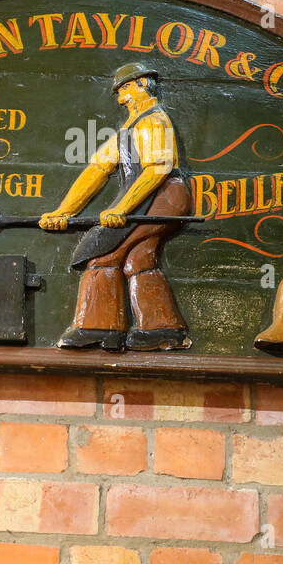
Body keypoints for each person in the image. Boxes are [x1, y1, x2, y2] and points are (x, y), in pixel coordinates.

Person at [39, 63, 191, 351]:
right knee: (139, 259)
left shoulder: (154, 121)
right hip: (147, 195)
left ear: (144, 85)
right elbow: (98, 168)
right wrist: (64, 211)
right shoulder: (129, 128)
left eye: (126, 89)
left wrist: (122, 208)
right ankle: (162, 328)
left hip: (164, 194)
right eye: (121, 92)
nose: (123, 97)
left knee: (102, 253)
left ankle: (99, 327)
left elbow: (159, 168)